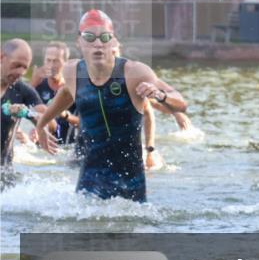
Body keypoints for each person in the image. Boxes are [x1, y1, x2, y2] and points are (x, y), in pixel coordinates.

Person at [35, 10, 187, 202]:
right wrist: (41, 124)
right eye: (90, 37)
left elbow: (181, 103)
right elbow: (65, 94)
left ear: (113, 41)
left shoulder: (134, 72)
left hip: (129, 180)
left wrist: (161, 96)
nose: (98, 43)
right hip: (90, 177)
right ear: (79, 41)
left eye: (105, 37)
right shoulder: (72, 71)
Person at [1, 39, 46, 180]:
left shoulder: (22, 90)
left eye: (24, 68)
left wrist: (27, 113)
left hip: (4, 175)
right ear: (1, 57)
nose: (20, 72)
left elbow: (51, 124)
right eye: (16, 65)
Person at [34, 41, 78, 145]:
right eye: (48, 60)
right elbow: (24, 110)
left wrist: (65, 115)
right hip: (40, 146)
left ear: (65, 62)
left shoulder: (73, 87)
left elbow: (84, 123)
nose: (51, 65)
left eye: (56, 61)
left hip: (67, 147)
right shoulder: (37, 85)